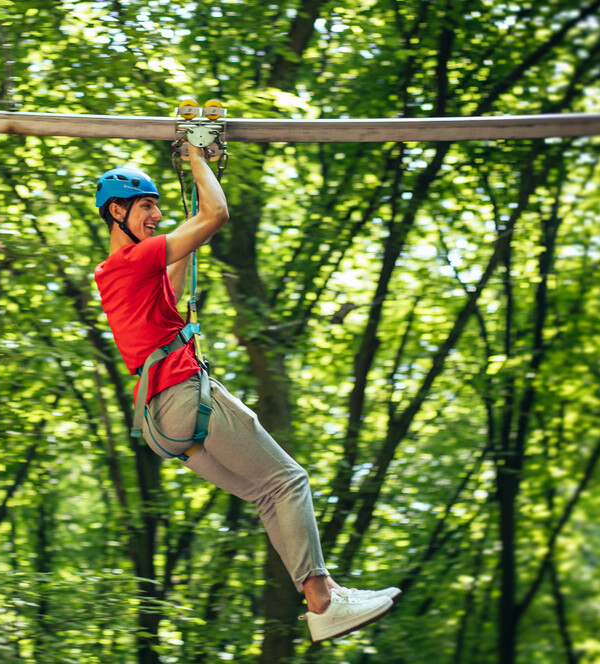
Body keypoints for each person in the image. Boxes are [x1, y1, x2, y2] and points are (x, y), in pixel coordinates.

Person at [91, 143, 399, 642]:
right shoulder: (131, 259)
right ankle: (322, 602)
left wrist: (193, 198)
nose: (156, 214)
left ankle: (326, 594)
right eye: (146, 204)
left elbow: (178, 263)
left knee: (265, 494)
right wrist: (196, 156)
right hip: (184, 394)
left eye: (156, 205)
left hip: (159, 424)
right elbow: (219, 215)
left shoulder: (117, 274)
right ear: (116, 211)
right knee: (290, 481)